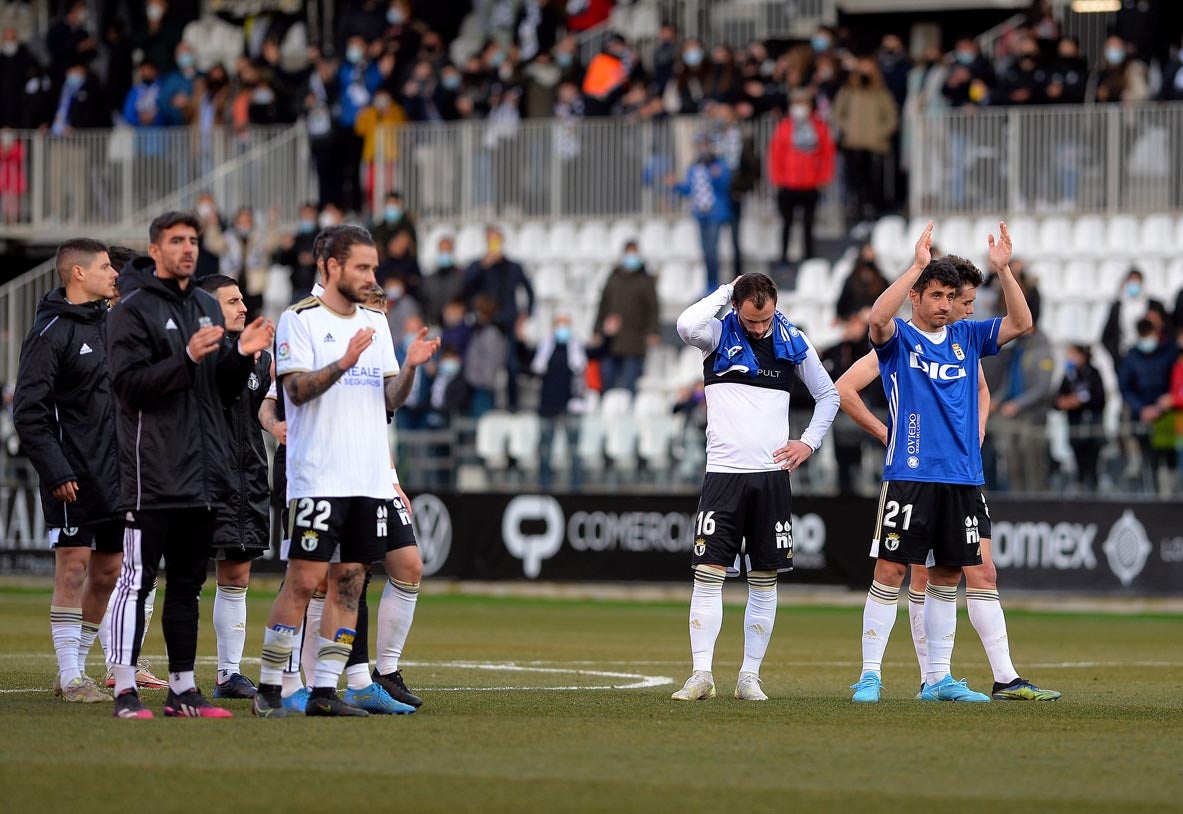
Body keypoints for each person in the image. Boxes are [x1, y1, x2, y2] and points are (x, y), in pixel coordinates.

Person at [834, 255, 1060, 701]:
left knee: (947, 575)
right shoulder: (898, 340)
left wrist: (1004, 269)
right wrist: (916, 267)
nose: (943, 303)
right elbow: (878, 318)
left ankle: (937, 679)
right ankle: (870, 675)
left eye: (949, 296)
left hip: (962, 478)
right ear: (915, 296)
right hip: (911, 475)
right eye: (934, 294)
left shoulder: (966, 336)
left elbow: (1022, 322)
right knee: (892, 569)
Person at [251, 225, 438, 718]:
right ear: (331, 266)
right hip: (319, 476)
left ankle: (326, 691)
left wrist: (411, 367)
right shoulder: (300, 320)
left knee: (351, 583)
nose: (372, 276)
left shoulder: (376, 325)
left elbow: (388, 401)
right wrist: (344, 361)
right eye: (362, 266)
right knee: (303, 580)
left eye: (374, 266)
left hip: (367, 481)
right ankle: (270, 687)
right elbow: (294, 393)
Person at [106, 211, 274, 719]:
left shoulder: (204, 305)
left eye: (193, 240)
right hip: (152, 468)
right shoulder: (131, 309)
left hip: (204, 473)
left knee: (186, 586)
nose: (187, 248)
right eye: (176, 240)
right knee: (137, 580)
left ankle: (183, 689)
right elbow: (129, 386)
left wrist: (241, 354)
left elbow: (221, 390)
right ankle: (123, 687)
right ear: (155, 250)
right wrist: (186, 358)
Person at [672, 272, 839, 701]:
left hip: (771, 479)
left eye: (765, 321)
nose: (760, 329)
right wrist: (727, 290)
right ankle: (701, 674)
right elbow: (685, 325)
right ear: (736, 306)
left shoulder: (792, 340)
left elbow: (829, 395)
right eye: (750, 322)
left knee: (764, 579)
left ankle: (749, 676)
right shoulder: (715, 334)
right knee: (708, 575)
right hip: (723, 476)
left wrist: (808, 442)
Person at [12, 239, 121, 703]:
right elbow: (28, 412)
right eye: (105, 266)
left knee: (109, 570)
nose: (114, 272)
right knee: (72, 568)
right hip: (71, 475)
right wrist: (56, 470)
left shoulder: (114, 326)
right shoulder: (50, 331)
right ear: (77, 273)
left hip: (117, 474)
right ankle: (73, 674)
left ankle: (72, 667)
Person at [199, 275, 273, 700]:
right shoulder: (200, 352)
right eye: (232, 301)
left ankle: (228, 673)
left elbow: (262, 407)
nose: (242, 307)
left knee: (237, 573)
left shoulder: (258, 358)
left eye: (242, 299)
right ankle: (133, 670)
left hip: (247, 476)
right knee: (180, 576)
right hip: (204, 478)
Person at [462, 226, 533, 410]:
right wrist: (482, 266)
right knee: (481, 369)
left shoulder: (513, 267)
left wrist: (524, 317)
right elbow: (465, 289)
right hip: (484, 325)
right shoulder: (478, 266)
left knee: (512, 366)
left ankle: (512, 408)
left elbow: (530, 293)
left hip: (508, 325)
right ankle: (481, 410)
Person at [767, 90, 835, 264]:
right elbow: (776, 154)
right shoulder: (784, 127)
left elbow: (827, 153)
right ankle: (784, 256)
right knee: (787, 223)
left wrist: (824, 177)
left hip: (811, 184)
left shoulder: (819, 127)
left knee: (808, 224)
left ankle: (809, 258)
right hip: (788, 184)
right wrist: (778, 178)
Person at [594, 242, 660, 394]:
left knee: (631, 383)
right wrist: (597, 330)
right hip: (610, 341)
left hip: (635, 340)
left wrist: (653, 331)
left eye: (634, 253)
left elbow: (653, 308)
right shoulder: (613, 277)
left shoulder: (645, 279)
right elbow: (602, 306)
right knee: (606, 380)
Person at [668, 134, 732, 291]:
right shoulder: (694, 168)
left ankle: (714, 282)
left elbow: (725, 185)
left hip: (715, 213)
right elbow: (689, 189)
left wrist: (717, 175)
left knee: (712, 249)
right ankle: (710, 282)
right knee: (705, 251)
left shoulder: (719, 165)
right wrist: (676, 185)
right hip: (700, 214)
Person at [531, 314, 587, 491]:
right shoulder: (545, 348)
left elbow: (596, 354)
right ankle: (544, 486)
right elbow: (532, 365)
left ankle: (576, 487)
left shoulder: (576, 348)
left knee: (574, 450)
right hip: (548, 405)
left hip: (571, 406)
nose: (562, 329)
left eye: (566, 325)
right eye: (559, 325)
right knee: (546, 450)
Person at [1054, 344, 1106, 491]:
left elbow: (1100, 399)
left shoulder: (1093, 374)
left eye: (1073, 355)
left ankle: (1094, 490)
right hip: (1075, 427)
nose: (1070, 358)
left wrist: (1079, 402)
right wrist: (1064, 402)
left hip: (1092, 428)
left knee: (1093, 465)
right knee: (1079, 464)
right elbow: (1057, 400)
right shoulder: (1068, 375)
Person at [1102, 268, 1164, 367]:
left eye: (1137, 281)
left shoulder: (1154, 305)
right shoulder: (1117, 307)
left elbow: (1167, 329)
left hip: (1150, 356)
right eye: (1131, 281)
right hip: (1125, 356)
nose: (1134, 284)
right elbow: (1106, 336)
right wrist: (1116, 355)